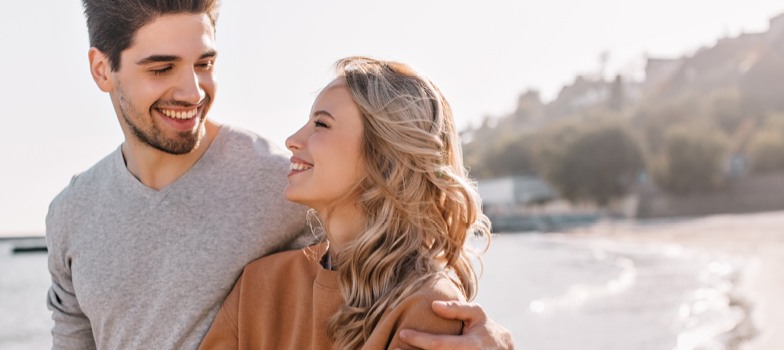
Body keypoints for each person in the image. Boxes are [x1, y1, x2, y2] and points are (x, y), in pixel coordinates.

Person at [46, 1, 515, 349]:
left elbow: (410, 259)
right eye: (162, 67)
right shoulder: (71, 214)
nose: (192, 90)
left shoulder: (283, 181)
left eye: (205, 63)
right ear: (102, 69)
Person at [197, 57, 490, 350]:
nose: (292, 140)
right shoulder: (258, 283)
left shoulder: (429, 305)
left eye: (321, 124)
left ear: (384, 157)